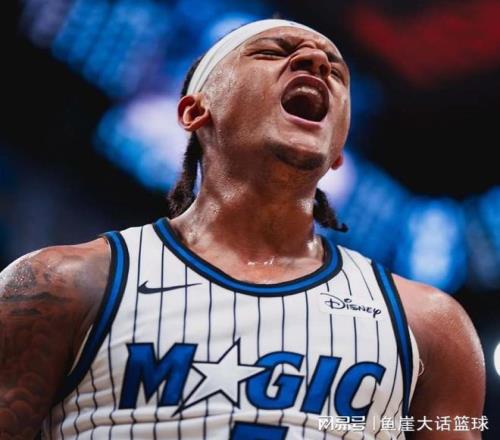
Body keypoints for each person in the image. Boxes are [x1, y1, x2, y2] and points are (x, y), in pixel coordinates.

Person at [0, 19, 485, 440]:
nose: (316, 62)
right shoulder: (61, 282)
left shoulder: (429, 324)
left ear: (339, 151)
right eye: (273, 52)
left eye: (336, 71)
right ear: (194, 111)